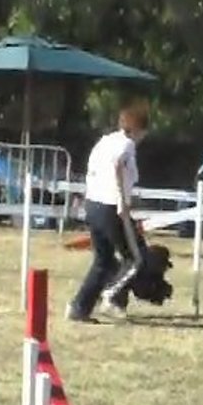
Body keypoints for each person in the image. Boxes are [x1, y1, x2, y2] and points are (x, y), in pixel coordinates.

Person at [66, 101, 150, 323]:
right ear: (138, 129)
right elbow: (117, 166)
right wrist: (122, 201)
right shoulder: (126, 145)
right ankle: (110, 296)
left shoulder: (105, 141)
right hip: (111, 206)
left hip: (93, 204)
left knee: (103, 261)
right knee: (135, 259)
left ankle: (79, 308)